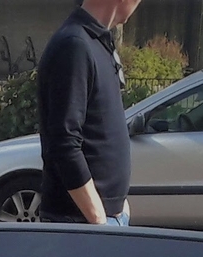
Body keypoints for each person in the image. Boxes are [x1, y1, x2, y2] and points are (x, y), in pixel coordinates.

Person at [36, 0, 145, 226]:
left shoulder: (97, 42)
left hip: (104, 218)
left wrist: (118, 205)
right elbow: (63, 141)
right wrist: (97, 217)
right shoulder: (74, 45)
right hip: (80, 223)